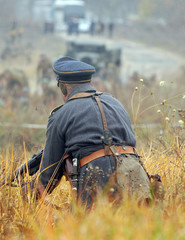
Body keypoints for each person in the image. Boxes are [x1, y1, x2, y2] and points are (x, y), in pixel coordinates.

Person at [29, 57, 153, 208]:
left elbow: (49, 174)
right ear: (89, 82)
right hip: (136, 175)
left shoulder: (61, 115)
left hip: (97, 180)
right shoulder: (116, 103)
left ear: (62, 87)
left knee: (86, 228)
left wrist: (29, 195)